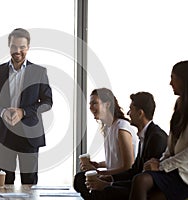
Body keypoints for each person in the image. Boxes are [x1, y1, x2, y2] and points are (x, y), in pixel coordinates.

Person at [0, 28, 53, 184]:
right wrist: (2, 112)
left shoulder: (39, 72)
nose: (18, 51)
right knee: (4, 184)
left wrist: (23, 112)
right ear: (9, 46)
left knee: (29, 184)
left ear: (28, 47)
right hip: (3, 135)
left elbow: (47, 103)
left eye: (22, 47)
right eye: (14, 46)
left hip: (30, 136)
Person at [80, 91, 168, 200]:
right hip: (136, 182)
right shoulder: (144, 135)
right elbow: (134, 170)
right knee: (85, 182)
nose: (128, 113)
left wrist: (108, 184)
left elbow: (142, 175)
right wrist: (110, 178)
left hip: (146, 187)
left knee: (99, 191)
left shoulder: (156, 137)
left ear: (140, 113)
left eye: (131, 110)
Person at [130, 61, 188, 200]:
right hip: (174, 171)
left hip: (184, 174)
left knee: (141, 181)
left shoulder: (155, 135)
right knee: (141, 181)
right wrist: (158, 163)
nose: (170, 82)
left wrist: (162, 166)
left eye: (173, 77)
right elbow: (171, 146)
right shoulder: (180, 106)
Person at [74, 88, 137, 197]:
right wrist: (98, 165)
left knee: (89, 186)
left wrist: (100, 174)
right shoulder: (108, 128)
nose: (90, 107)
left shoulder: (121, 128)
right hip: (113, 174)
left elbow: (128, 166)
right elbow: (116, 160)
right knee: (80, 179)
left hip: (123, 179)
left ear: (107, 104)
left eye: (95, 103)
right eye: (90, 104)